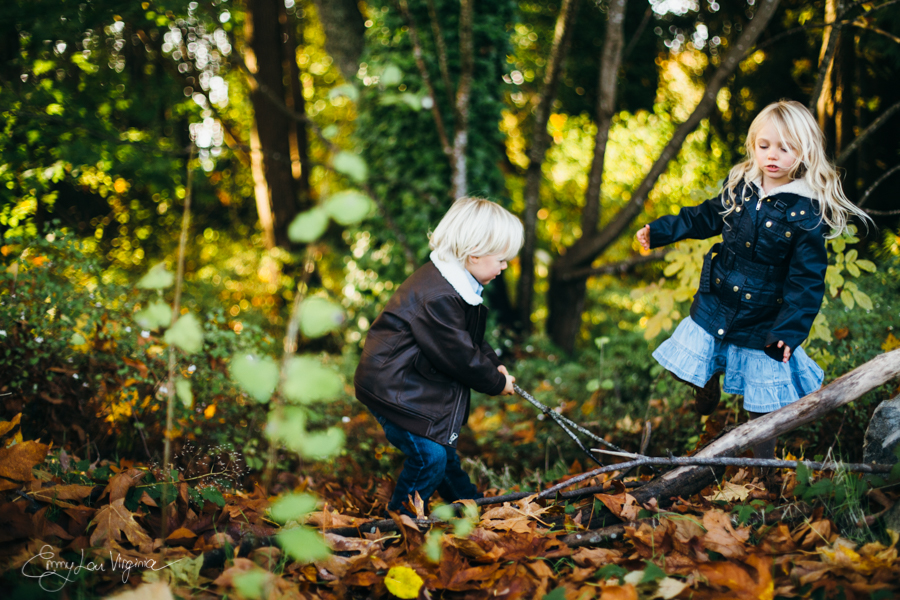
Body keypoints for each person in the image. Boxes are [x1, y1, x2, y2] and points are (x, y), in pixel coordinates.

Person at [635, 100, 871, 459]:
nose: (772, 156)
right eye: (764, 146)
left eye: (785, 148)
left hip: (764, 316)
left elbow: (806, 283)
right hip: (719, 300)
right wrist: (661, 231)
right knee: (688, 367)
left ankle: (762, 468)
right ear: (753, 146)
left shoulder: (806, 213)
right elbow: (703, 217)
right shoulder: (741, 188)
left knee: (763, 405)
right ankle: (707, 385)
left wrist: (789, 332)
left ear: (804, 151)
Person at [354, 197, 522, 516]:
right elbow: (459, 356)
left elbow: (469, 339)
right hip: (392, 388)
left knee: (443, 451)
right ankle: (399, 522)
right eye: (502, 260)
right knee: (430, 457)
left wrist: (493, 364)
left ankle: (470, 507)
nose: (504, 267)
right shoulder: (439, 296)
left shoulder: (456, 285)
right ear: (474, 254)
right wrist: (495, 382)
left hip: (412, 383)